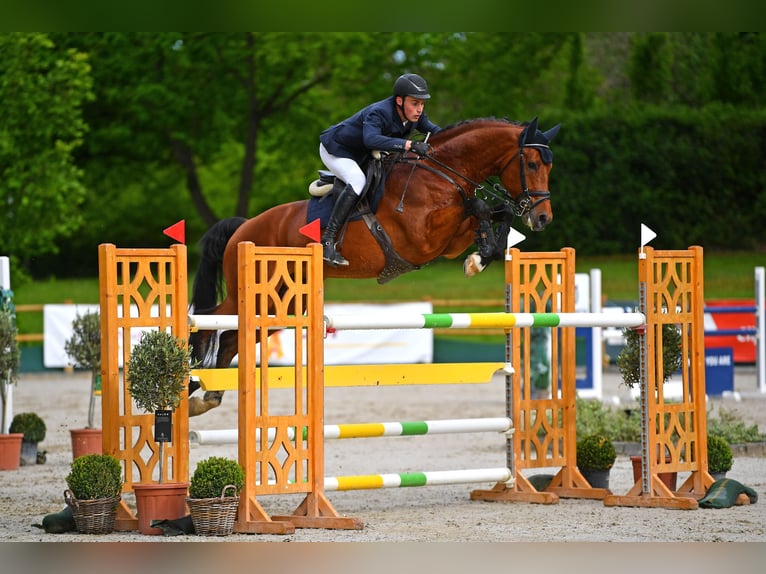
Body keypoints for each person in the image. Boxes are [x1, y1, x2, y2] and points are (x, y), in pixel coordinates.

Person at [318, 73, 441, 266]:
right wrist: (409, 144)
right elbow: (371, 140)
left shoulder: (415, 116)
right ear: (399, 101)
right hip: (337, 149)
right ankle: (327, 241)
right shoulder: (380, 112)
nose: (419, 109)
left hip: (361, 153)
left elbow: (438, 132)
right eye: (415, 103)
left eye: (422, 104)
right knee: (358, 181)